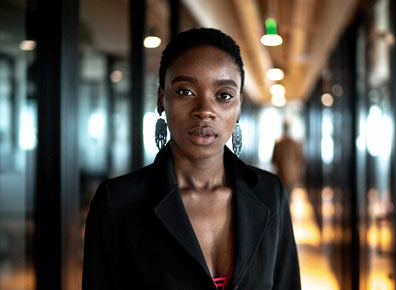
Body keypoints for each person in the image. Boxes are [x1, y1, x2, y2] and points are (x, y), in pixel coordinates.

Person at [82, 28, 301, 290]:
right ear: (162, 98)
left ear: (239, 105)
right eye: (186, 91)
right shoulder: (118, 203)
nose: (205, 111)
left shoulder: (269, 193)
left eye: (224, 95)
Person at [272, 121, 305, 195]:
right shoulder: (295, 144)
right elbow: (301, 160)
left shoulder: (278, 144)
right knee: (288, 196)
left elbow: (273, 160)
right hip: (291, 176)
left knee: (282, 196)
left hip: (281, 176)